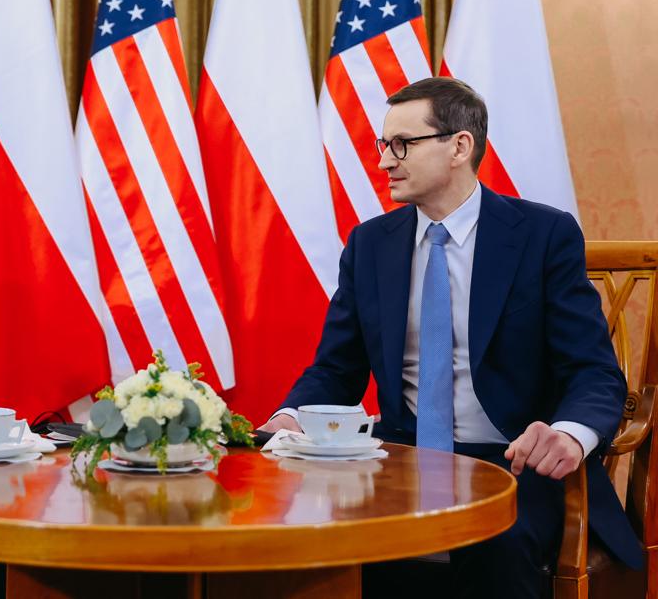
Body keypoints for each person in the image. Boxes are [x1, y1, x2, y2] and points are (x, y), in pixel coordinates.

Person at [258, 77, 642, 598]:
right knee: (308, 542)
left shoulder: (542, 236)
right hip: (397, 464)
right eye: (383, 146)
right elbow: (336, 370)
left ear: (460, 145)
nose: (385, 162)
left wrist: (568, 433)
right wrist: (288, 417)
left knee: (489, 543)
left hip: (511, 463)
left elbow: (593, 371)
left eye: (403, 145)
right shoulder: (371, 245)